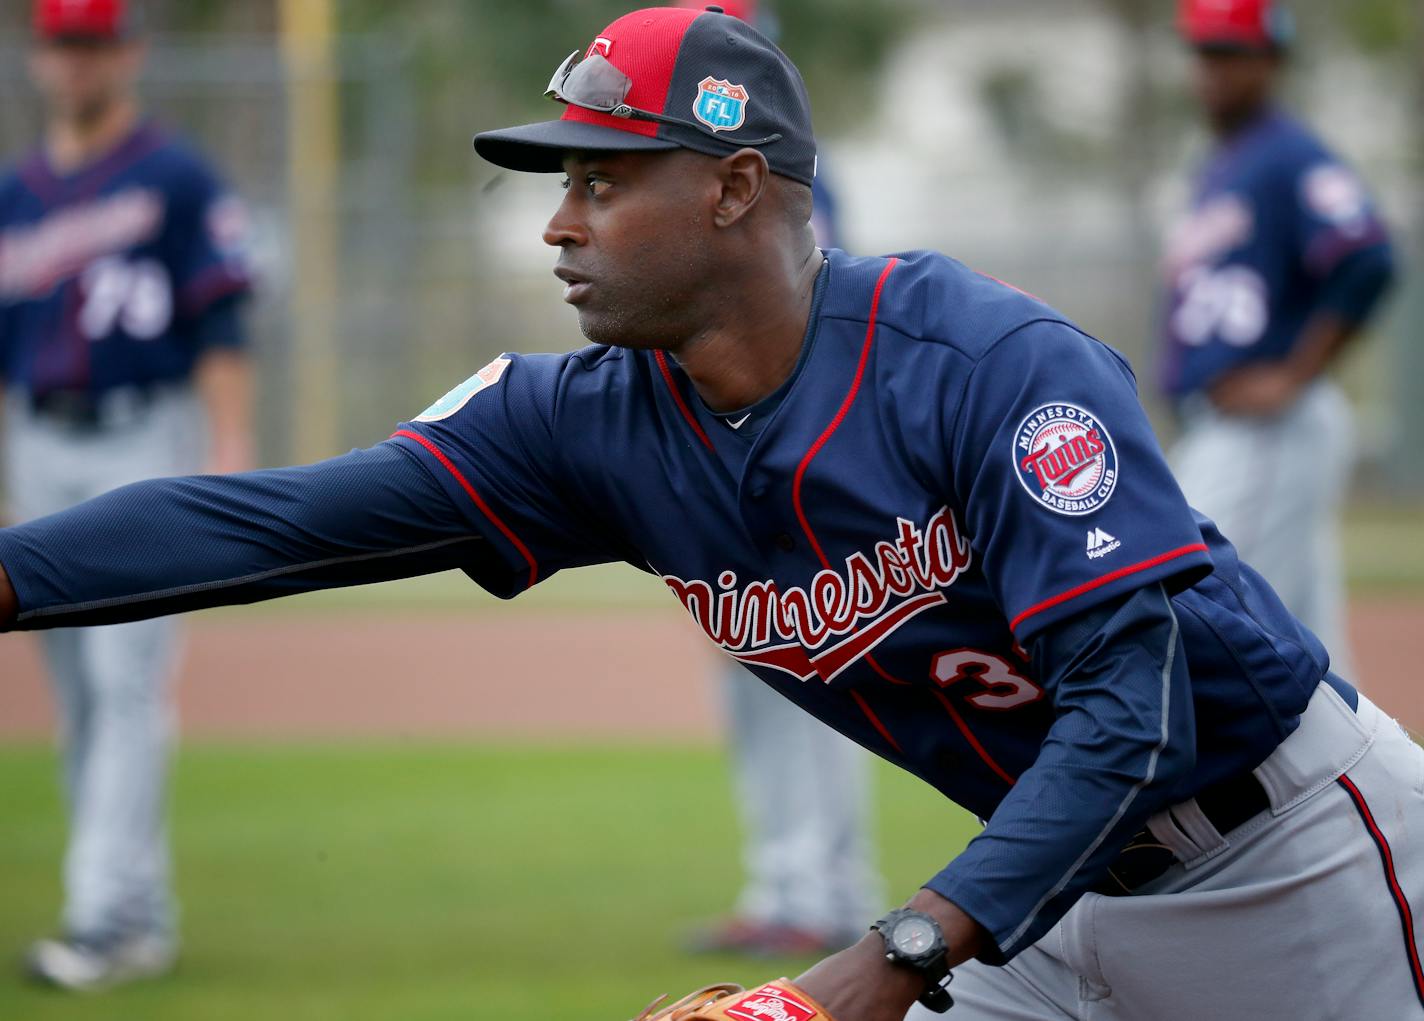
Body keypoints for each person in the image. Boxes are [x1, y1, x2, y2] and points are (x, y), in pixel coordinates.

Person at [0, 7, 1419, 1019]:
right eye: (564, 182)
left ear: (738, 186)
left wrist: (892, 954)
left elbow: (1131, 706)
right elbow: (269, 525)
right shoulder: (579, 419)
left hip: (1284, 857)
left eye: (603, 179)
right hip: (1031, 906)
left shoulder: (984, 365)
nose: (561, 221)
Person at [0, 0, 254, 991]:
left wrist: (227, 448)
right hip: (38, 437)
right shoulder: (16, 191)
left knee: (126, 686)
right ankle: (132, 912)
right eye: (63, 43)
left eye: (94, 42)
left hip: (144, 437)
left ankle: (104, 915)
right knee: (76, 694)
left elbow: (223, 324)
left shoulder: (176, 176)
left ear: (131, 52)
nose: (76, 62)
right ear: (37, 57)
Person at [672, 0, 885, 960]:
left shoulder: (790, 170)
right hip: (729, 459)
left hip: (800, 462)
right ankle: (781, 883)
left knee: (819, 669)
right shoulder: (688, 166)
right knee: (754, 668)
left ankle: (830, 891)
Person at [1161, 0, 1396, 684]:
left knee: (1203, 616)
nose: (1211, 72)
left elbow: (1368, 256)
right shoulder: (1224, 164)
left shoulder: (1288, 154)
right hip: (1231, 426)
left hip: (1267, 428)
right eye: (1203, 54)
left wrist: (1295, 372)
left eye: (1230, 54)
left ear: (1272, 60)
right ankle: (1383, 791)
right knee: (1313, 653)